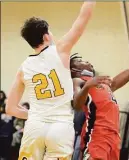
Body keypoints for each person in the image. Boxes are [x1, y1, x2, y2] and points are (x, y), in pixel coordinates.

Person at [5, 2, 96, 159]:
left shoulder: (23, 68)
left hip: (35, 127)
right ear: (46, 36)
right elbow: (84, 17)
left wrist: (36, 115)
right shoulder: (61, 50)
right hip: (61, 127)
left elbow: (10, 108)